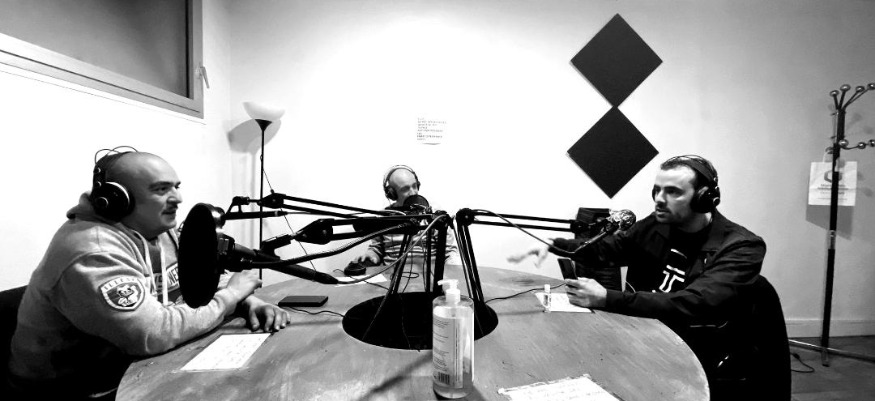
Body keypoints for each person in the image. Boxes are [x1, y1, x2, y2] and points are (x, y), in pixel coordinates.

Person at [7, 149, 291, 400]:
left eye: (176, 187)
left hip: (136, 366)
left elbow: (202, 274)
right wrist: (231, 296)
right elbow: (152, 334)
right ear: (118, 199)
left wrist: (247, 301)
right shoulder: (92, 253)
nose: (178, 198)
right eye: (161, 189)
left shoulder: (160, 229)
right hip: (73, 390)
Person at [515, 155, 773, 400]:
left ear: (704, 198)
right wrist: (554, 244)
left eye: (673, 192)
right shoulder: (657, 224)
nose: (659, 199)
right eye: (657, 190)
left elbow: (694, 303)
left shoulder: (741, 246)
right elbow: (608, 249)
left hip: (693, 353)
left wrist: (607, 298)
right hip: (642, 335)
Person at [350, 165, 460, 272]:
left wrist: (453, 273)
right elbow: (377, 249)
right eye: (405, 189)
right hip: (391, 275)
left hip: (428, 276)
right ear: (392, 193)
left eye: (415, 186)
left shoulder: (434, 215)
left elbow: (449, 252)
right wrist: (371, 254)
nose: (413, 192)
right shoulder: (384, 216)